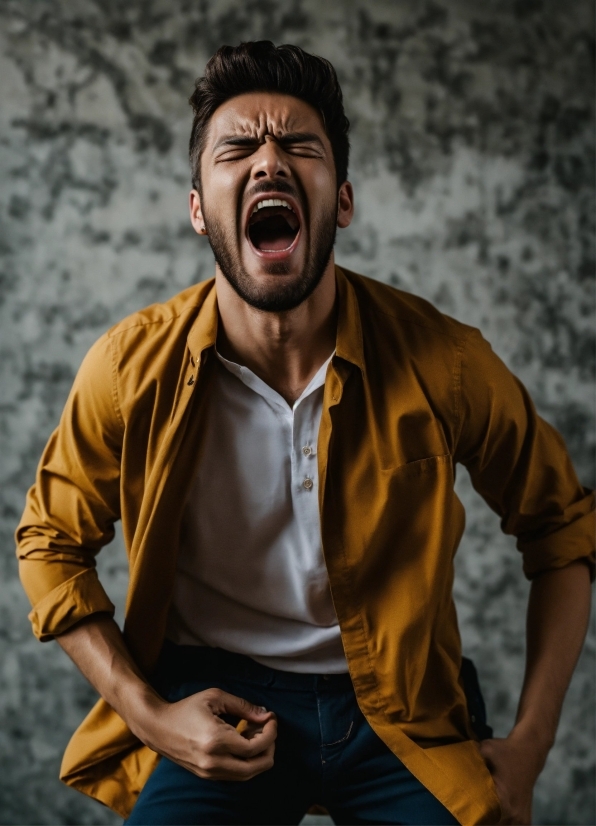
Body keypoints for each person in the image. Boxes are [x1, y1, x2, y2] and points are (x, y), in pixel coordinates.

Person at [16, 41, 593, 826]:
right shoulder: (128, 368)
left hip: (404, 705)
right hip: (219, 697)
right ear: (197, 209)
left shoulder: (446, 361)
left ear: (342, 200)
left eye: (299, 145)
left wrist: (529, 744)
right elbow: (50, 543)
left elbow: (562, 530)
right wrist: (155, 719)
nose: (268, 161)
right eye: (238, 147)